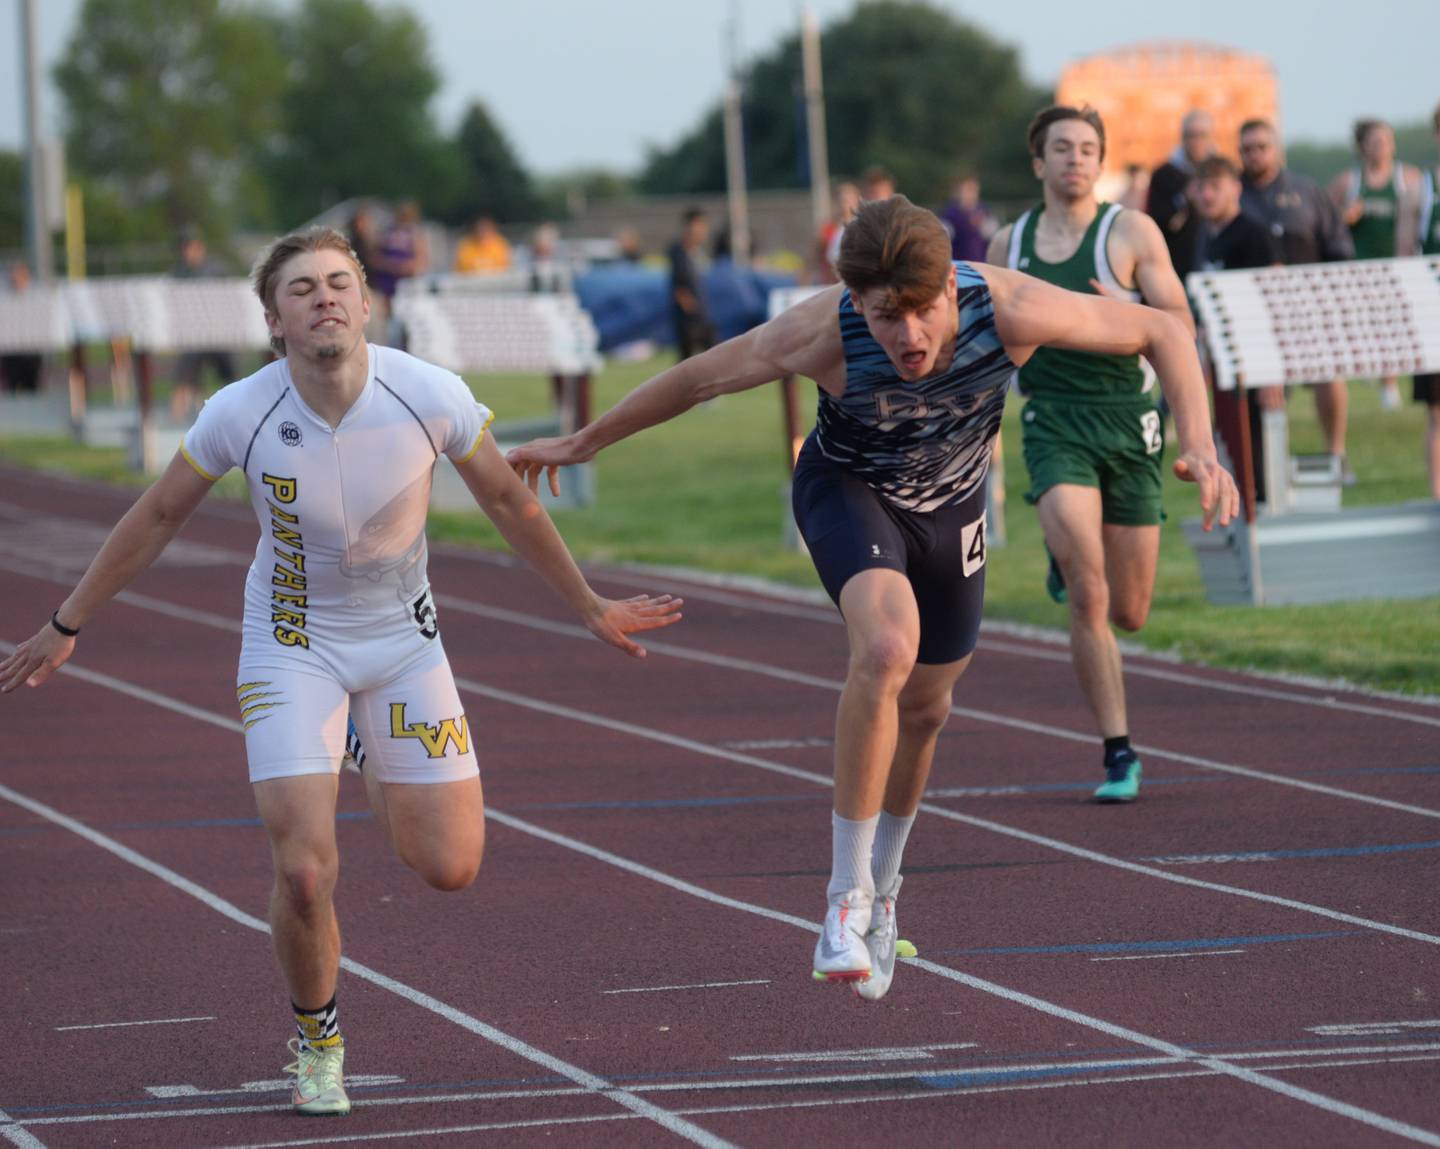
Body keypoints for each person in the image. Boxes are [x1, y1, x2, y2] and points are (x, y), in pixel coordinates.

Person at [0, 227, 682, 1115]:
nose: (323, 298)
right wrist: (67, 621)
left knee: (449, 865)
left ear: (366, 303)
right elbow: (160, 513)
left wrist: (590, 605)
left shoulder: (427, 393)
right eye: (300, 289)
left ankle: (362, 740)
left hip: (403, 643)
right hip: (291, 645)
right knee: (306, 872)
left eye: (337, 283)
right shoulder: (238, 411)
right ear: (274, 321)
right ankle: (318, 1039)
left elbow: (510, 499)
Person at [508, 195, 1237, 1000]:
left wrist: (1201, 446)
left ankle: (884, 892)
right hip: (849, 488)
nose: (910, 337)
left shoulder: (1013, 306)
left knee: (929, 706)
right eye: (888, 317)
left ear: (952, 291)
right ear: (857, 302)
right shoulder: (821, 331)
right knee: (886, 647)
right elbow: (699, 378)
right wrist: (583, 441)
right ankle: (843, 899)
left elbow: (1165, 329)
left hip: (952, 506)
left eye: (923, 312)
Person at [985, 104, 1202, 805]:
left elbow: (1181, 328)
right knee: (1090, 590)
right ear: (1038, 163)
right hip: (1054, 423)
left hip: (1129, 423)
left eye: (1086, 148)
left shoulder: (1131, 232)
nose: (1075, 158)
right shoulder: (1006, 246)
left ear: (1099, 161)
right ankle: (1119, 752)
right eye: (1061, 148)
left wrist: (1132, 304)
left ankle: (1071, 551)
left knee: (1132, 610)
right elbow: (986, 349)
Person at [1239, 118, 1356, 476]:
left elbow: (1337, 245)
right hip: (1255, 312)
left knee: (1328, 376)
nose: (1255, 155)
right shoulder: (1234, 195)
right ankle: (1269, 465)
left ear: (1277, 149)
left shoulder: (1306, 191)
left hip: (1309, 305)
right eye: (1247, 149)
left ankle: (1334, 454)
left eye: (1262, 147)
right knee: (1264, 391)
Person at [1193, 155, 1282, 502]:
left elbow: (1275, 299)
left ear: (1235, 189)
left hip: (1255, 360)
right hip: (1222, 361)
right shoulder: (1206, 236)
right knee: (1228, 440)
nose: (1207, 195)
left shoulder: (1253, 234)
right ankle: (1241, 512)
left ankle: (1264, 513)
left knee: (1257, 446)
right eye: (1201, 187)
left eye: (1215, 186)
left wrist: (1271, 371)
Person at [1329, 119, 1422, 410]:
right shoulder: (1349, 181)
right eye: (1374, 142)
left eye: (1386, 141)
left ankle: (1389, 384)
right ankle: (1367, 367)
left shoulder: (1407, 178)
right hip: (1358, 265)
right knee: (1360, 324)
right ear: (1362, 147)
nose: (1381, 147)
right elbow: (1327, 221)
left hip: (1395, 265)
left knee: (1392, 324)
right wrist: (1346, 215)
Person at [169, 232, 237, 422]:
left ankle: (237, 415)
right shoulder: (180, 273)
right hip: (194, 334)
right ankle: (178, 420)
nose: (187, 253)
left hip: (218, 332)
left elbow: (230, 296)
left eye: (190, 247)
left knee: (232, 378)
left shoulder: (216, 269)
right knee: (185, 378)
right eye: (184, 248)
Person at [1146, 109, 1216, 281]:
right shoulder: (1164, 175)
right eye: (1191, 135)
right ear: (1182, 138)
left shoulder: (1222, 172)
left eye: (1202, 135)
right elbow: (1156, 223)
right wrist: (1183, 200)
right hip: (1177, 265)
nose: (1197, 141)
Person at [1413, 102, 1440, 499]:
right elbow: (1409, 246)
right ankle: (1437, 497)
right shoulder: (1426, 185)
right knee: (1437, 412)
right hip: (1435, 310)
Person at [667, 208, 714, 361]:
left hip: (703, 313)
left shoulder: (698, 252)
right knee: (686, 361)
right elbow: (678, 286)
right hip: (690, 317)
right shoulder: (678, 251)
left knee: (714, 356)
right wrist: (690, 308)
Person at [0, 261, 43, 394]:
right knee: (13, 384)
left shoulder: (36, 295)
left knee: (32, 384)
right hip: (11, 349)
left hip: (31, 349)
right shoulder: (5, 296)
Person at [939, 175, 997, 263]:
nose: (970, 194)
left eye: (973, 190)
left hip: (981, 263)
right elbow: (943, 237)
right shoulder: (950, 212)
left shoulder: (984, 210)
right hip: (958, 264)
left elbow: (991, 235)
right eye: (967, 190)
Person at [813, 181, 861, 284]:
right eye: (842, 200)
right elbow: (817, 255)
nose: (844, 204)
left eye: (848, 200)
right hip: (831, 281)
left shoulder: (862, 226)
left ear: (856, 200)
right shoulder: (828, 228)